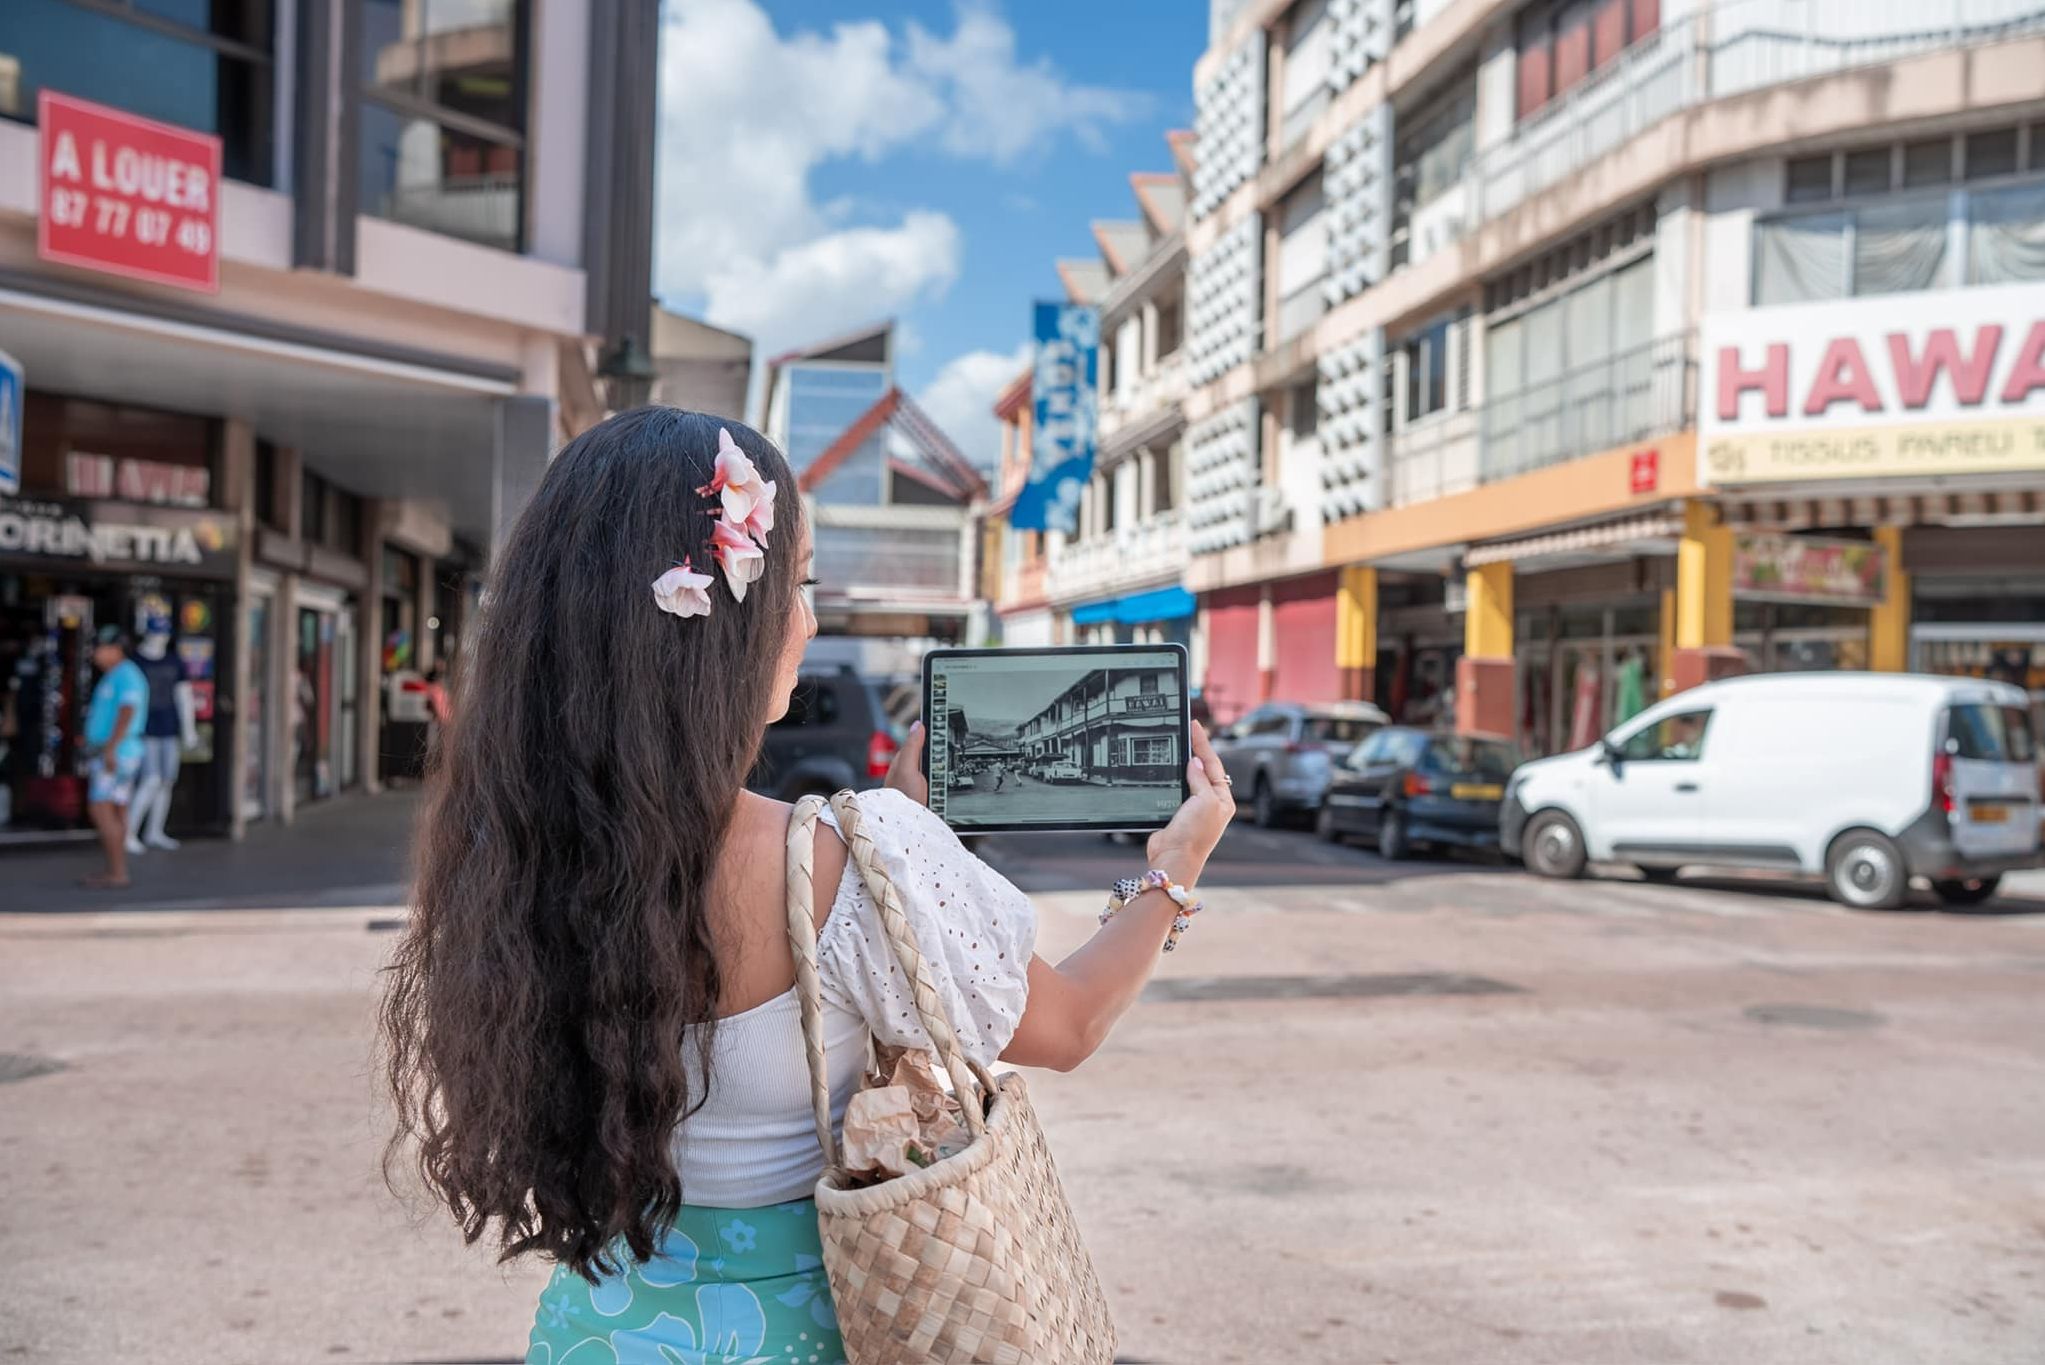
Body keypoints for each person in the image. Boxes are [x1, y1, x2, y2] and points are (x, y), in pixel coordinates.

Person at [379, 410, 1233, 1364]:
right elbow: (1067, 1025)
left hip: (597, 1336)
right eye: (797, 581)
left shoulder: (501, 847)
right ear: (727, 619)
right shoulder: (851, 855)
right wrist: (1174, 871)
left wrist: (897, 840)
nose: (809, 618)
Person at [81, 625, 149, 889]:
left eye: (100, 647)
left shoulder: (126, 675)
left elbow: (127, 711)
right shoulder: (115, 675)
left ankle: (117, 872)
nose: (95, 653)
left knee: (101, 808)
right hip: (118, 751)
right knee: (117, 809)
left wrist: (111, 748)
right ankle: (117, 869)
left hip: (117, 753)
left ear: (115, 649)